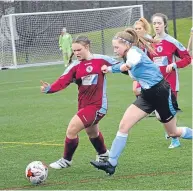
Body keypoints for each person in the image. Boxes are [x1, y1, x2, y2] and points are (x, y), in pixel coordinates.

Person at [90, 28, 192, 175]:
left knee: (173, 132)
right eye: (114, 47)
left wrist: (128, 65)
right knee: (124, 125)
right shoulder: (127, 55)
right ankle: (111, 163)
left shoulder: (133, 52)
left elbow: (134, 60)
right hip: (147, 95)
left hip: (161, 93)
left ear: (126, 44)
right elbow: (123, 66)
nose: (115, 50)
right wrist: (110, 69)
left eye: (117, 47)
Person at [40, 35, 122, 169]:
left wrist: (133, 70)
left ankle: (66, 160)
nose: (76, 53)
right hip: (84, 106)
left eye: (79, 50)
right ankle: (103, 154)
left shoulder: (101, 60)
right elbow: (63, 80)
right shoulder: (75, 66)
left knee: (72, 129)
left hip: (97, 106)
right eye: (74, 51)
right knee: (92, 133)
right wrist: (49, 89)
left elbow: (121, 66)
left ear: (87, 47)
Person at [149, 13, 191, 148]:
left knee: (166, 112)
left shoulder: (172, 42)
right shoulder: (150, 43)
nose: (156, 26)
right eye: (154, 23)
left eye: (159, 23)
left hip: (170, 84)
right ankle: (173, 133)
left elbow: (187, 58)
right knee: (160, 114)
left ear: (165, 25)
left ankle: (175, 139)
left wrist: (174, 65)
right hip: (155, 84)